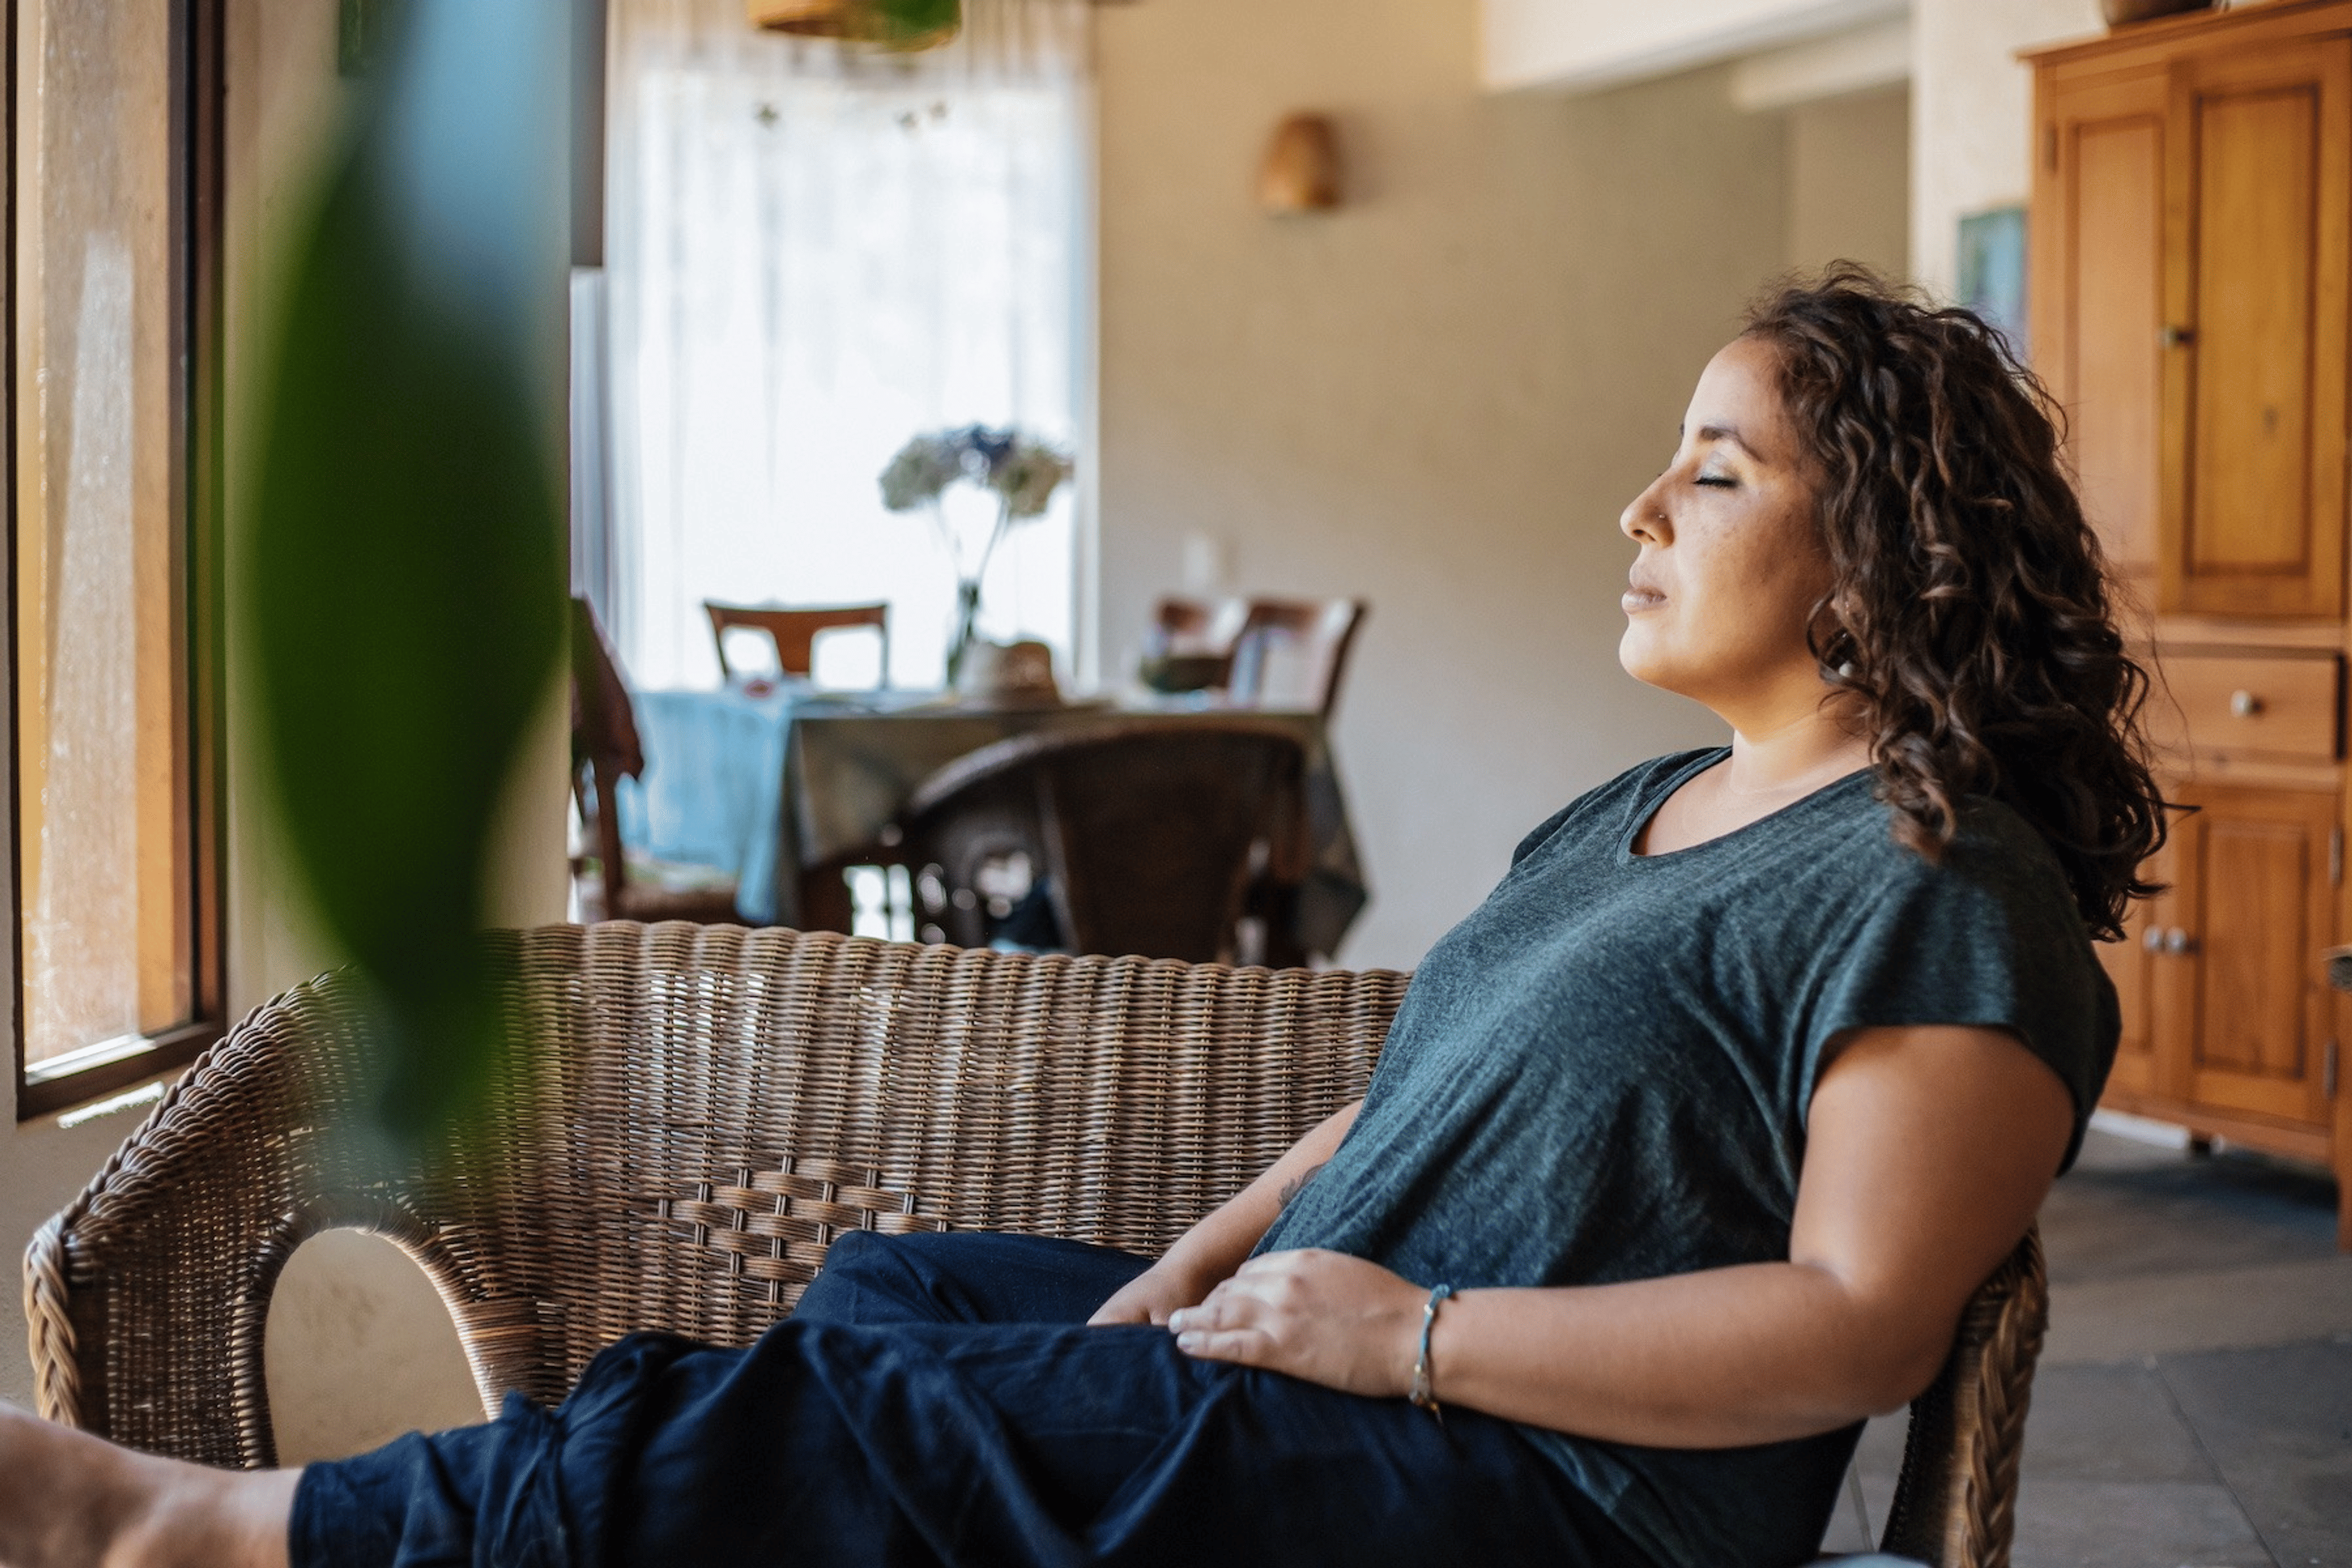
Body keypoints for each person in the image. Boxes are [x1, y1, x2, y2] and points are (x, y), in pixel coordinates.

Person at [0, 266, 2165, 1568]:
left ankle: (207, 1536)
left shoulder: (1941, 884)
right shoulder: (1649, 806)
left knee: (841, 1427)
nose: (1639, 505)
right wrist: (1185, 1275)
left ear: (1883, 552)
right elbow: (1407, 1104)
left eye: (1713, 468)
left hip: (1535, 1491)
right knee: (893, 1302)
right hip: (1348, 1364)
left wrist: (1396, 1339)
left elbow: (1859, 1323)